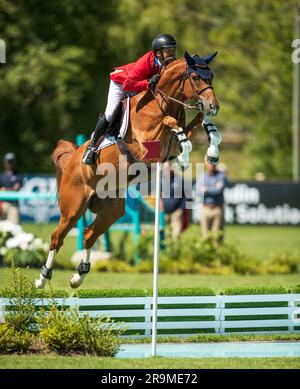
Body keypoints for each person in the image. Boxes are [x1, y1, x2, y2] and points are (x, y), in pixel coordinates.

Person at [82, 34, 179, 165]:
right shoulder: (147, 62)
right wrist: (147, 82)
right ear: (159, 53)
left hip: (140, 85)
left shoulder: (169, 64)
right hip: (121, 83)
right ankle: (92, 148)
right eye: (169, 50)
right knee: (110, 114)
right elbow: (127, 84)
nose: (172, 54)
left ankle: (152, 157)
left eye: (174, 50)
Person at [197, 158, 227, 242]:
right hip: (205, 208)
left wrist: (206, 189)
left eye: (212, 162)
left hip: (217, 209)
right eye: (208, 162)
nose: (210, 164)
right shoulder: (202, 176)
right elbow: (198, 191)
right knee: (205, 236)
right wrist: (213, 187)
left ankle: (216, 255)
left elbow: (218, 190)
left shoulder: (221, 176)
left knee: (216, 237)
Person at [0, 153, 23, 224]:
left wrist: (5, 190)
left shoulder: (19, 176)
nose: (9, 164)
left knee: (15, 226)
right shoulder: (1, 176)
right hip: (2, 204)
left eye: (11, 162)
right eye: (8, 162)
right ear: (5, 162)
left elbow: (16, 189)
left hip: (13, 204)